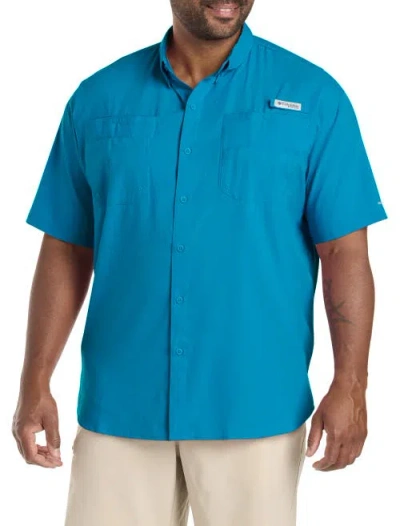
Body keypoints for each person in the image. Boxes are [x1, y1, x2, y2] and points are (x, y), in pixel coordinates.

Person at [12, 1, 387, 525]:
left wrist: (351, 384)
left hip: (254, 405)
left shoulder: (315, 98)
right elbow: (68, 247)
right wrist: (34, 381)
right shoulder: (97, 99)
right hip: (122, 403)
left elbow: (344, 252)